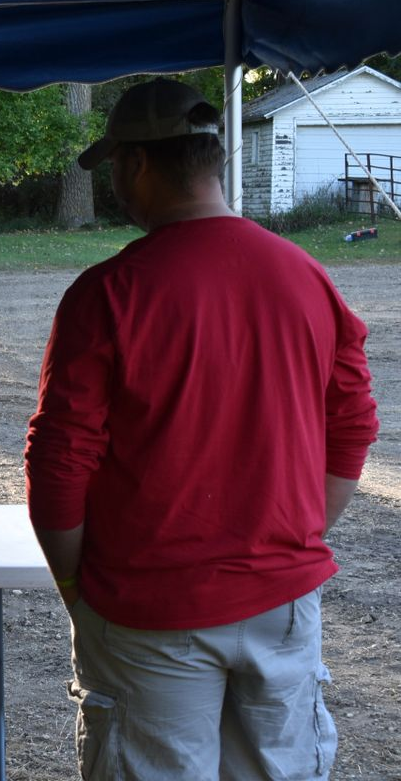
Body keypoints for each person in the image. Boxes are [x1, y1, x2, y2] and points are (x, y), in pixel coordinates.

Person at [24, 78, 379, 780]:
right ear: (211, 160)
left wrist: (72, 581)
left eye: (116, 170)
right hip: (281, 598)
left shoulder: (109, 292)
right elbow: (351, 428)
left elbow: (59, 463)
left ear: (134, 164)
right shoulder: (305, 275)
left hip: (150, 606)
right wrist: (296, 535)